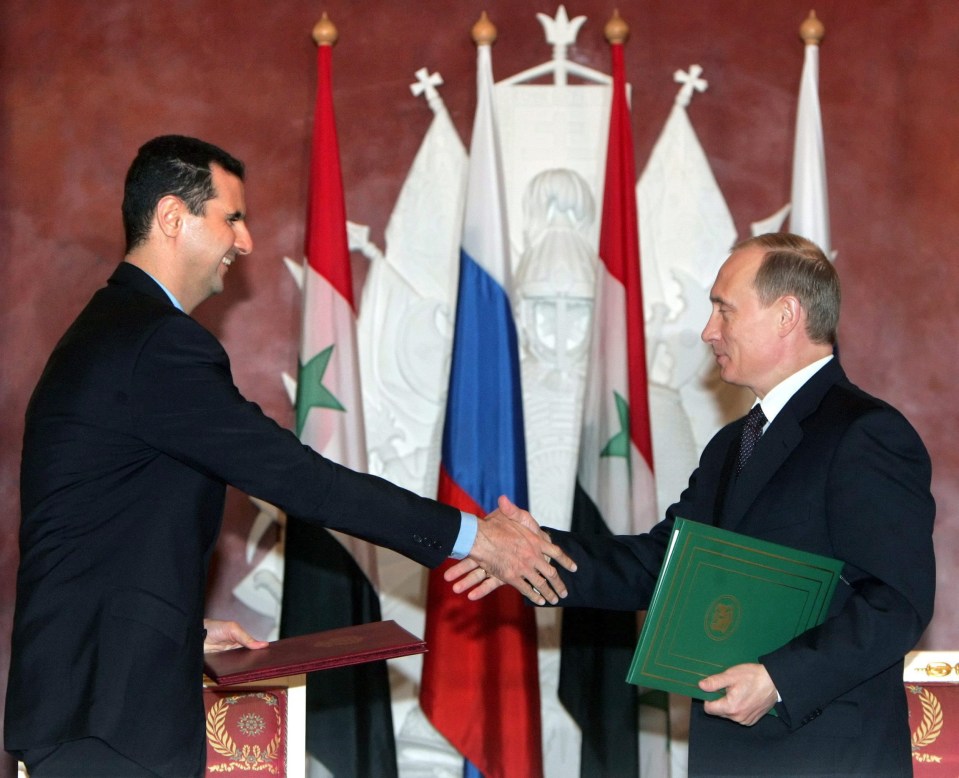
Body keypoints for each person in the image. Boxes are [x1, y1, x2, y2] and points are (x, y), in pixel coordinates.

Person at [4, 135, 575, 778]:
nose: (244, 243)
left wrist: (180, 631)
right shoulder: (157, 344)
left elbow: (101, 531)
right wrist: (472, 536)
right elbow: (299, 479)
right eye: (232, 218)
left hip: (91, 704)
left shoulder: (114, 331)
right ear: (172, 217)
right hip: (106, 722)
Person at [450, 233, 936, 777]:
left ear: (786, 315)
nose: (709, 332)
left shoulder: (866, 433)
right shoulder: (733, 443)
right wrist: (537, 551)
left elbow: (896, 602)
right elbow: (662, 565)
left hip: (827, 753)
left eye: (724, 311)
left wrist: (778, 678)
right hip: (729, 752)